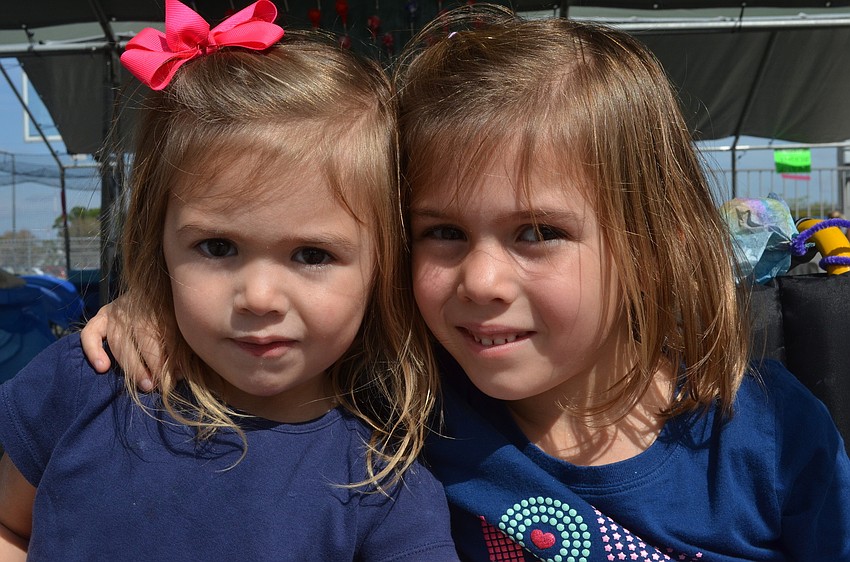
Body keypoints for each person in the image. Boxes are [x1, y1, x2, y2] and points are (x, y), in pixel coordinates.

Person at [80, 5, 850, 561]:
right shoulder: (403, 400)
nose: (479, 279)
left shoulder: (770, 438)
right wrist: (155, 311)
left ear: (653, 245)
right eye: (441, 232)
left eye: (538, 233)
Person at [0, 1, 459, 560]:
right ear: (157, 242)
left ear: (384, 266)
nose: (259, 297)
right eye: (217, 247)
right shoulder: (88, 381)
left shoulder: (383, 485)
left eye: (312, 255)